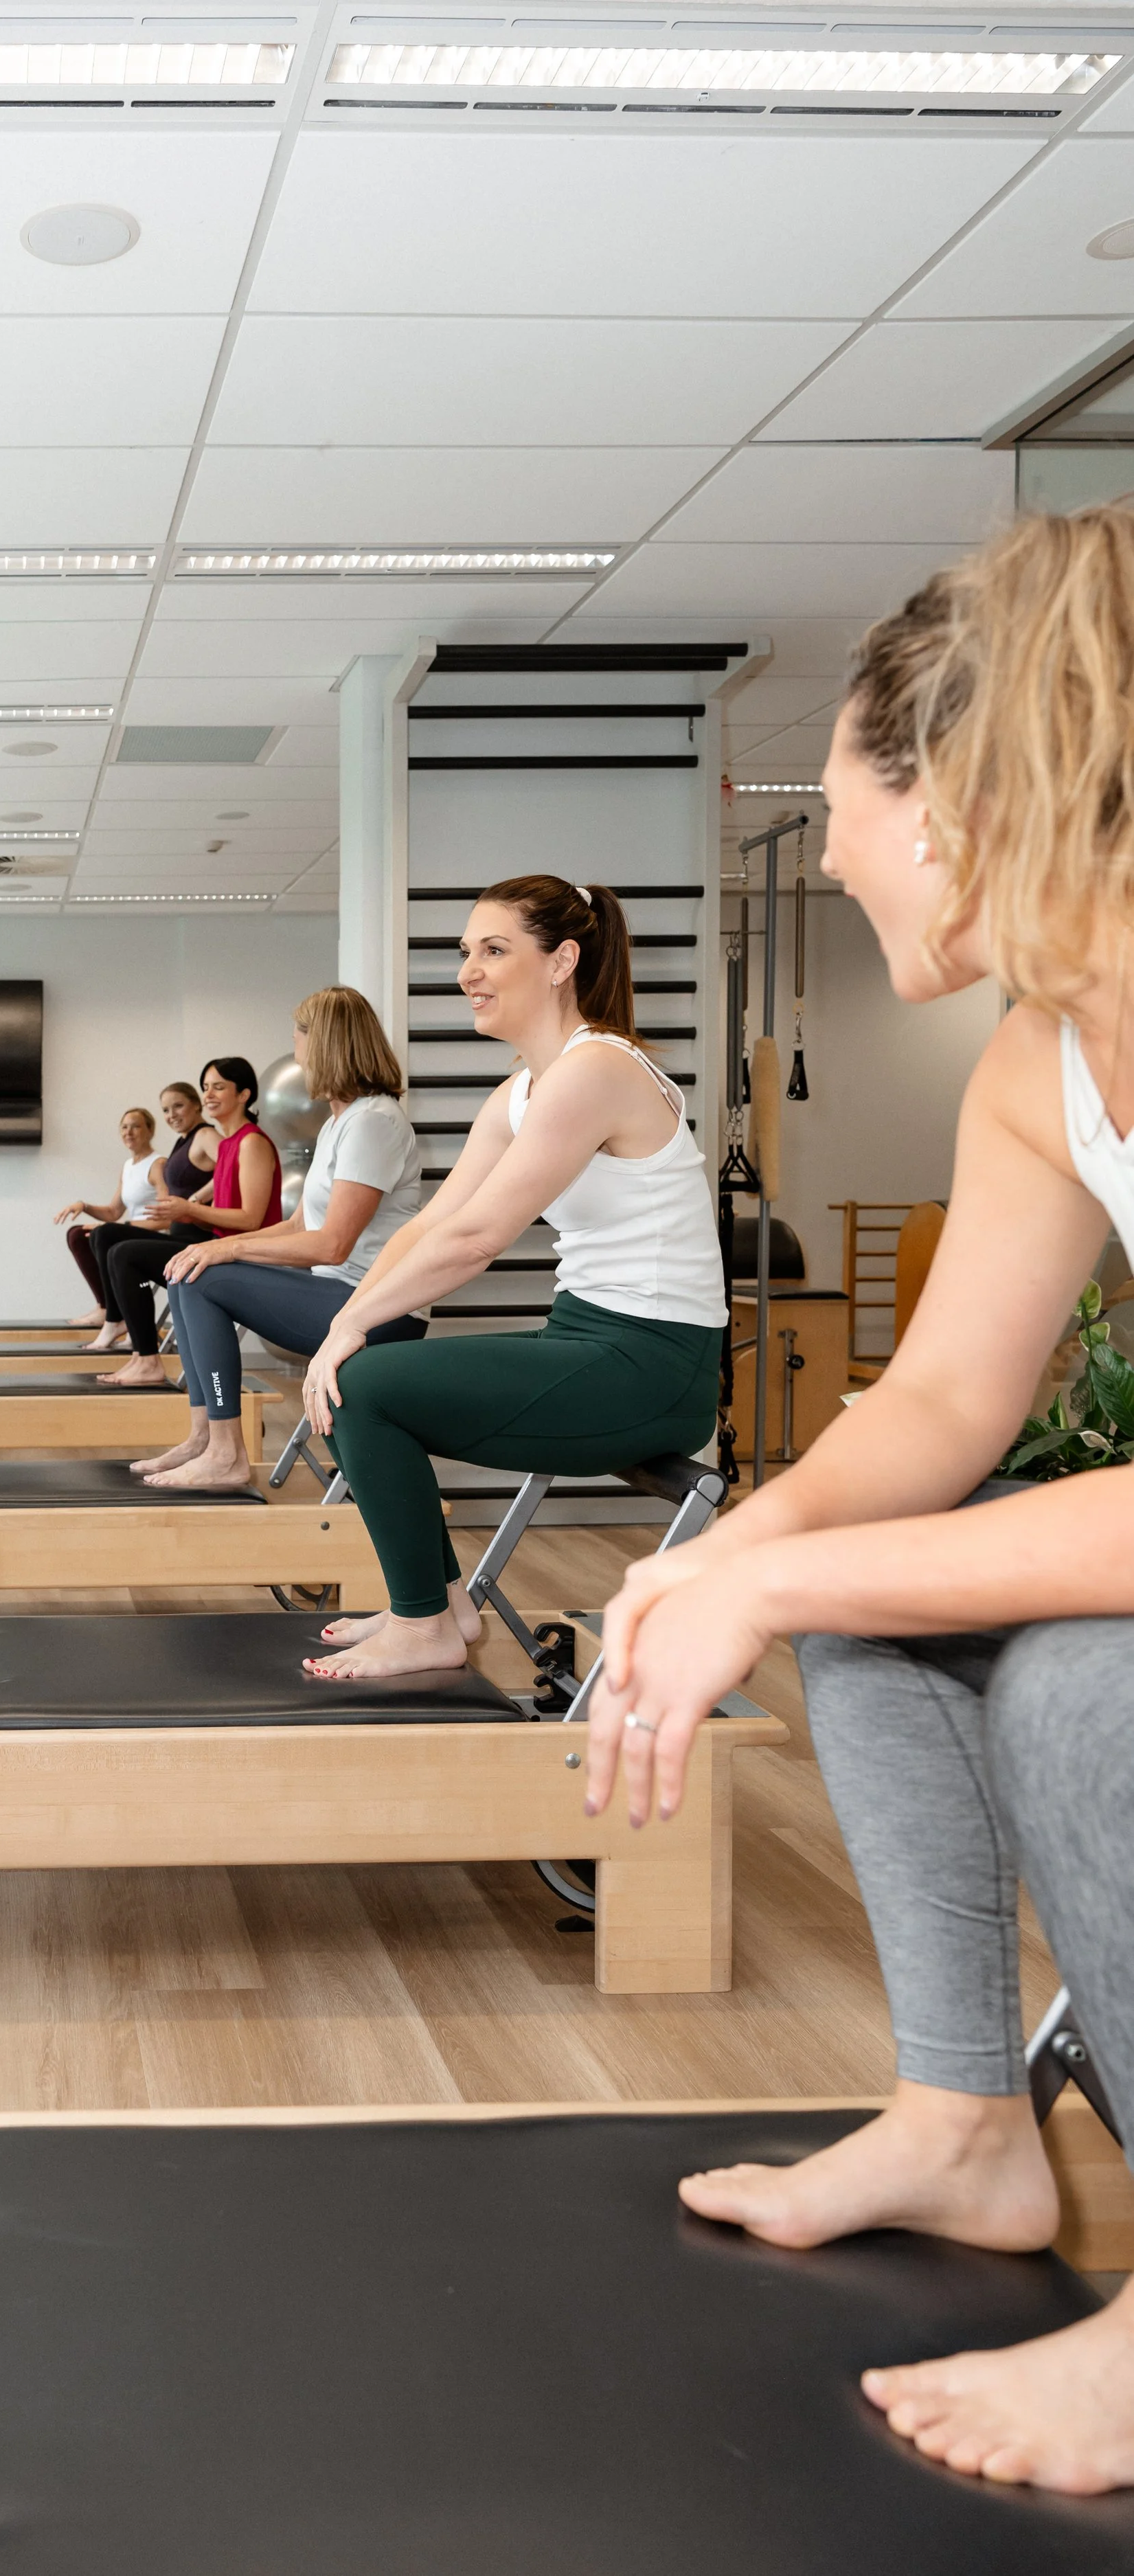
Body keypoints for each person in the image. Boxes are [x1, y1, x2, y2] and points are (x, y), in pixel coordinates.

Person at [581, 505, 1134, 2499]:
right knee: (854, 1591)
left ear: (967, 799)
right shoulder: (1045, 1056)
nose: (821, 851)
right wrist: (729, 1556)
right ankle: (962, 2120)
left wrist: (784, 1560)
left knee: (1083, 1687)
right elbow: (938, 1400)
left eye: (839, 804)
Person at [297, 877, 725, 1682]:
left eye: (495, 950)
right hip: (587, 1341)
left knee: (369, 1385)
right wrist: (345, 1321)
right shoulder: (522, 1090)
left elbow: (475, 1238)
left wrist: (345, 1331)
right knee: (361, 1377)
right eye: (466, 952)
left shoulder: (597, 1069)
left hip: (657, 1367)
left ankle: (424, 1621)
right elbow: (430, 1222)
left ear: (562, 961)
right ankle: (434, 1607)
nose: (469, 972)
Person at [134, 988, 427, 1489]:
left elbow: (332, 1243)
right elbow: (300, 1225)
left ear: (327, 1044)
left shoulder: (374, 1123)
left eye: (298, 1036)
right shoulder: (343, 1121)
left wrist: (229, 1247)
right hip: (342, 1295)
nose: (294, 1050)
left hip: (377, 1311)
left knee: (202, 1280)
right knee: (192, 1268)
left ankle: (227, 1453)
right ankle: (205, 1435)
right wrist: (210, 1246)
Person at [98, 1058, 282, 1386]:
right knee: (117, 1248)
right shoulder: (227, 1145)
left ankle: (146, 1358)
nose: (209, 1094)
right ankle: (142, 1355)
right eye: (206, 1087)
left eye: (219, 1087)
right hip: (220, 1249)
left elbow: (252, 1220)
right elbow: (218, 1200)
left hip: (245, 1256)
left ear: (244, 1095)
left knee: (125, 1254)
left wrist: (190, 1209)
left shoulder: (252, 1142)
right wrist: (187, 1207)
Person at [82, 1083, 218, 1357]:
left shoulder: (205, 1135)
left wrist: (194, 1202)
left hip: (196, 1241)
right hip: (181, 1236)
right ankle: (115, 1319)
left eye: (178, 1106)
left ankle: (135, 1342)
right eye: (166, 1110)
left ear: (196, 1104)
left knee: (120, 1248)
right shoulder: (184, 1140)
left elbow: (232, 1168)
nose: (172, 1115)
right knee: (104, 1235)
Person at [54, 1106, 162, 1345]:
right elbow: (114, 1211)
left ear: (150, 1130)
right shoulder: (129, 1166)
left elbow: (168, 1218)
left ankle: (115, 1317)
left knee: (103, 1234)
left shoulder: (158, 1165)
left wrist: (124, 1225)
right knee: (77, 1234)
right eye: (124, 1127)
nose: (129, 1132)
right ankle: (105, 1306)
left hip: (154, 1235)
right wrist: (84, 1206)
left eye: (136, 1126)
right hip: (129, 1230)